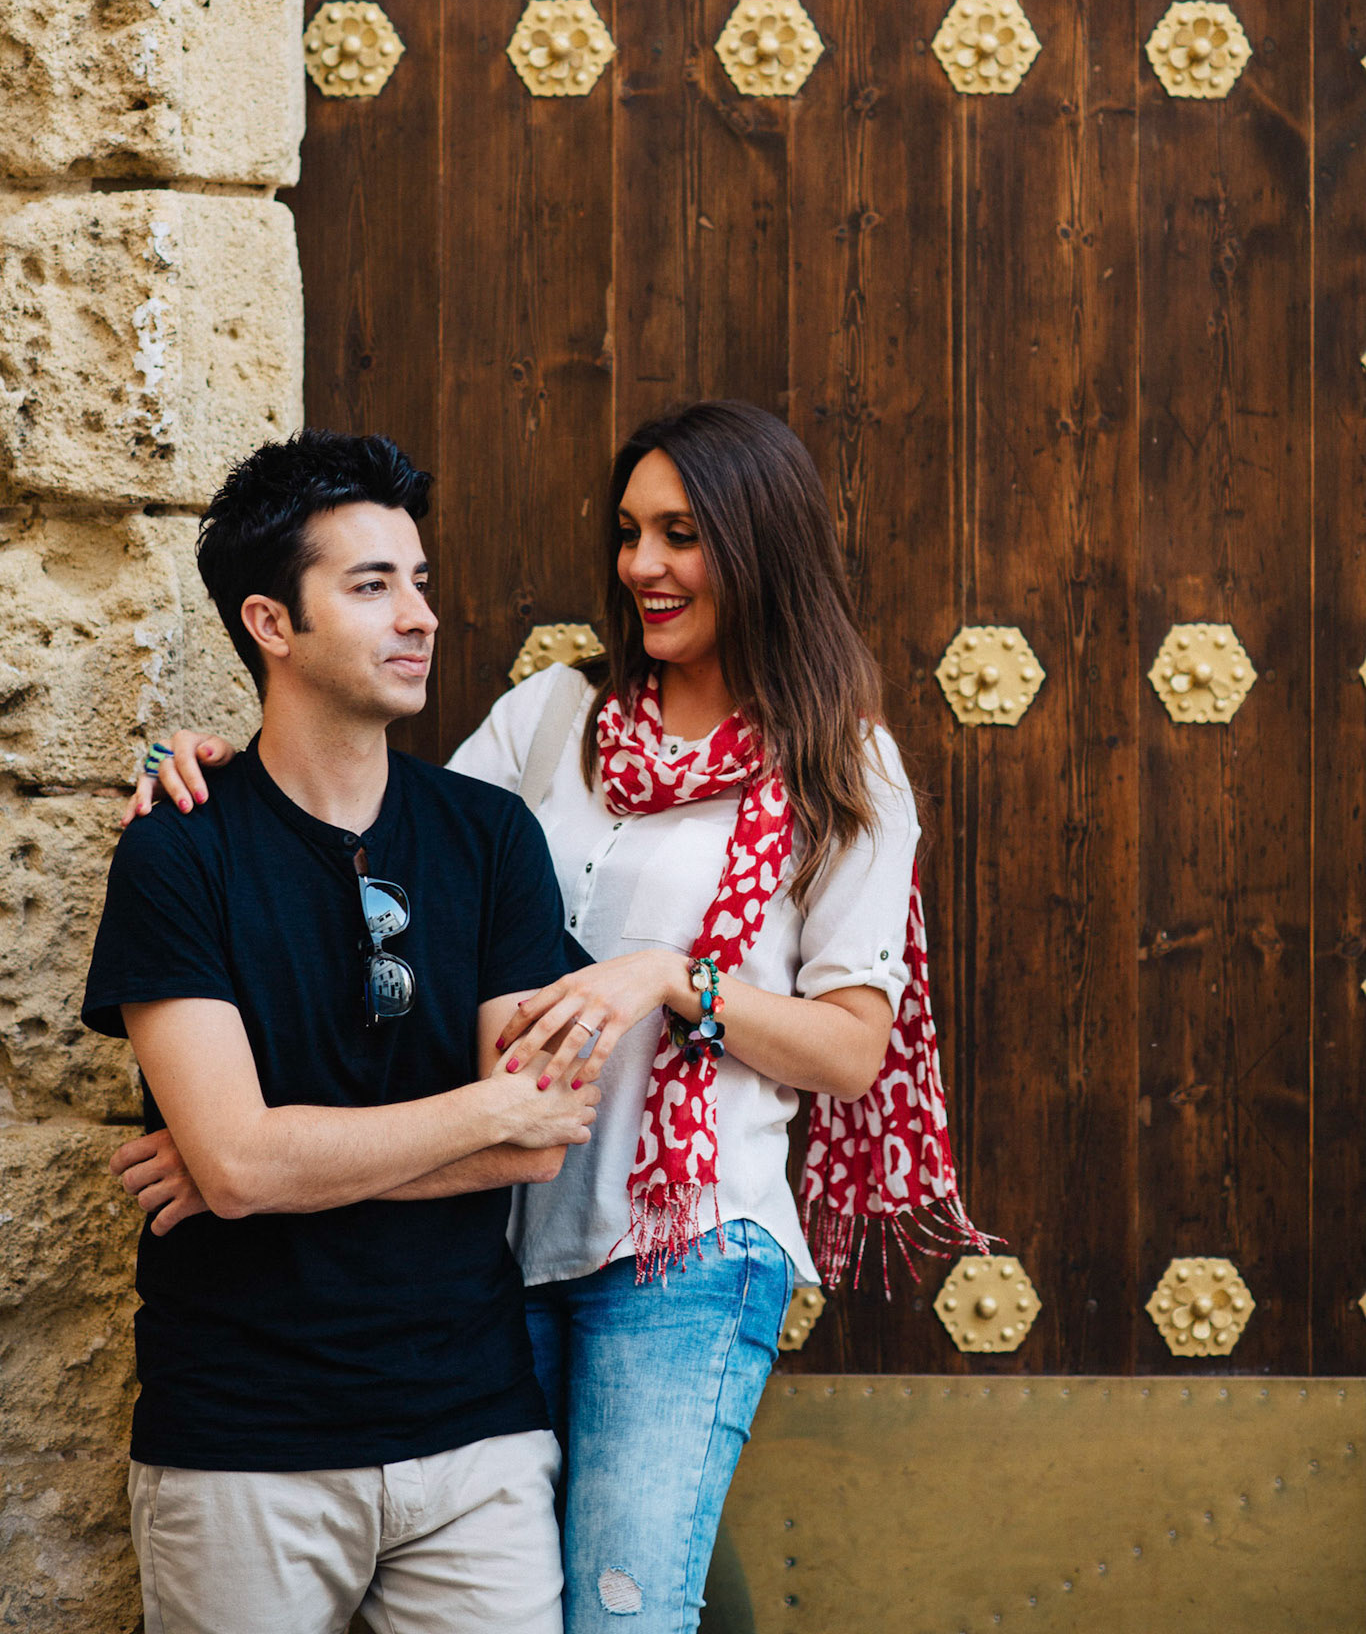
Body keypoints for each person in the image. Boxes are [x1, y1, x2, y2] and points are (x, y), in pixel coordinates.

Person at [122, 400, 985, 1634]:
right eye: (629, 531)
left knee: (625, 1606)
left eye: (681, 533)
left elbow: (851, 1048)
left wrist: (667, 977)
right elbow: (375, 834)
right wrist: (221, 769)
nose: (642, 564)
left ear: (759, 544)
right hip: (500, 1239)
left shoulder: (841, 762)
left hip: (681, 1240)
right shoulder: (555, 715)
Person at [82, 430, 601, 1634]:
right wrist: (473, 1111)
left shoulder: (490, 838)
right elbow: (239, 1163)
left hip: (474, 1438)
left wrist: (275, 1162)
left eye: (418, 579)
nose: (419, 614)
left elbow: (537, 1142)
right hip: (242, 1445)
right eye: (371, 585)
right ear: (271, 621)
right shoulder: (179, 851)